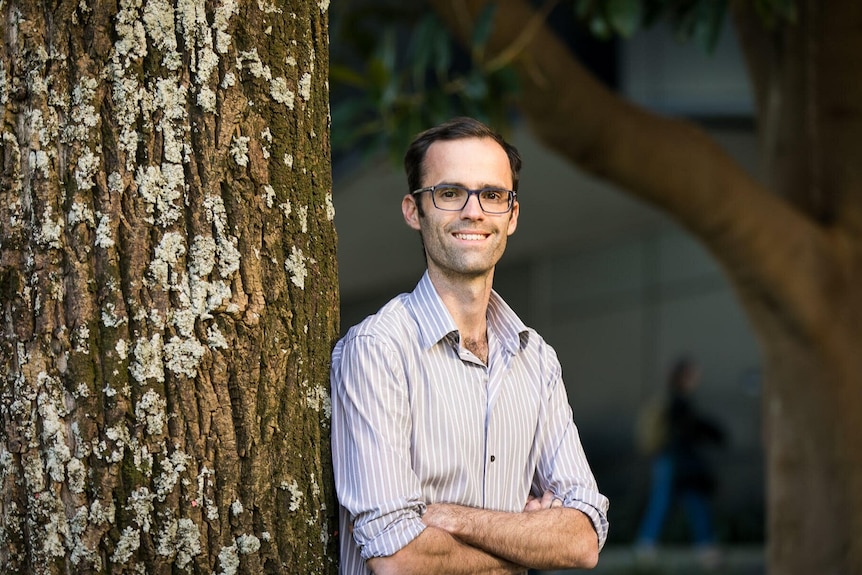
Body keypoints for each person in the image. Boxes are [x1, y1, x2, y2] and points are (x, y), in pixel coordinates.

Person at [330, 117, 609, 575]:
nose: (473, 212)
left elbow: (582, 540)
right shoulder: (378, 351)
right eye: (449, 193)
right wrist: (524, 541)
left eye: (492, 195)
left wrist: (451, 518)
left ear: (511, 216)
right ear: (414, 211)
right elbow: (398, 559)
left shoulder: (536, 360)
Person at [634, 356, 726, 566]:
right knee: (668, 502)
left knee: (685, 501)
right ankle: (649, 546)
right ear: (683, 377)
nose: (696, 379)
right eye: (692, 375)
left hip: (676, 462)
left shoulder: (676, 401)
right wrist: (712, 434)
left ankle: (649, 545)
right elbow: (690, 429)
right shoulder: (677, 403)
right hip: (675, 462)